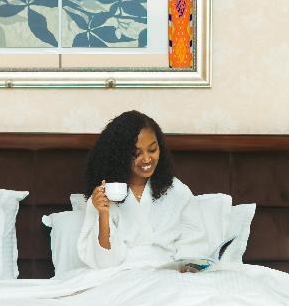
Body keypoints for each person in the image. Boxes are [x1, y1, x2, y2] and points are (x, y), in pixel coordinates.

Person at [77, 110, 200, 269]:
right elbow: (104, 262)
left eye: (152, 149)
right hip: (119, 274)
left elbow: (194, 243)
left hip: (167, 273)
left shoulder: (177, 191)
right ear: (119, 155)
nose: (147, 159)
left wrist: (184, 267)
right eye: (136, 153)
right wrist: (103, 213)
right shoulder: (104, 195)